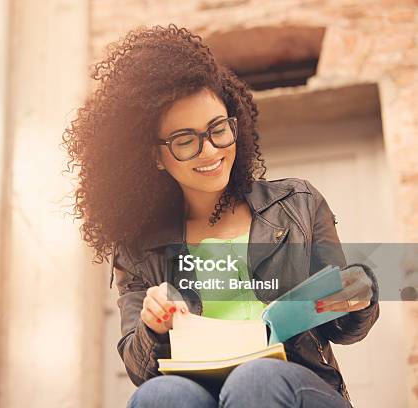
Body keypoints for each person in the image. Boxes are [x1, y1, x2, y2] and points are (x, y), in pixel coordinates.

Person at [62, 24, 379, 408]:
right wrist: (154, 328)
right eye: (184, 141)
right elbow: (140, 369)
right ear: (154, 157)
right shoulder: (140, 248)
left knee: (255, 381)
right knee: (159, 395)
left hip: (297, 387)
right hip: (200, 391)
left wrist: (358, 298)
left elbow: (343, 328)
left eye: (217, 129)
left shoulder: (298, 202)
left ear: (235, 123)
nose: (210, 151)